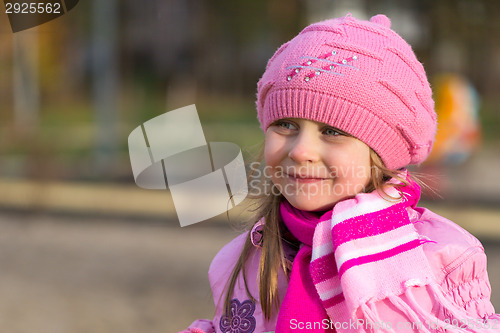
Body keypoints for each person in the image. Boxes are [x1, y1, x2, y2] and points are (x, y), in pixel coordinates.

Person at [180, 13, 500, 333]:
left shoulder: (440, 259)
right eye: (286, 125)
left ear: (383, 154)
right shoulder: (247, 258)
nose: (300, 150)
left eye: (332, 131)